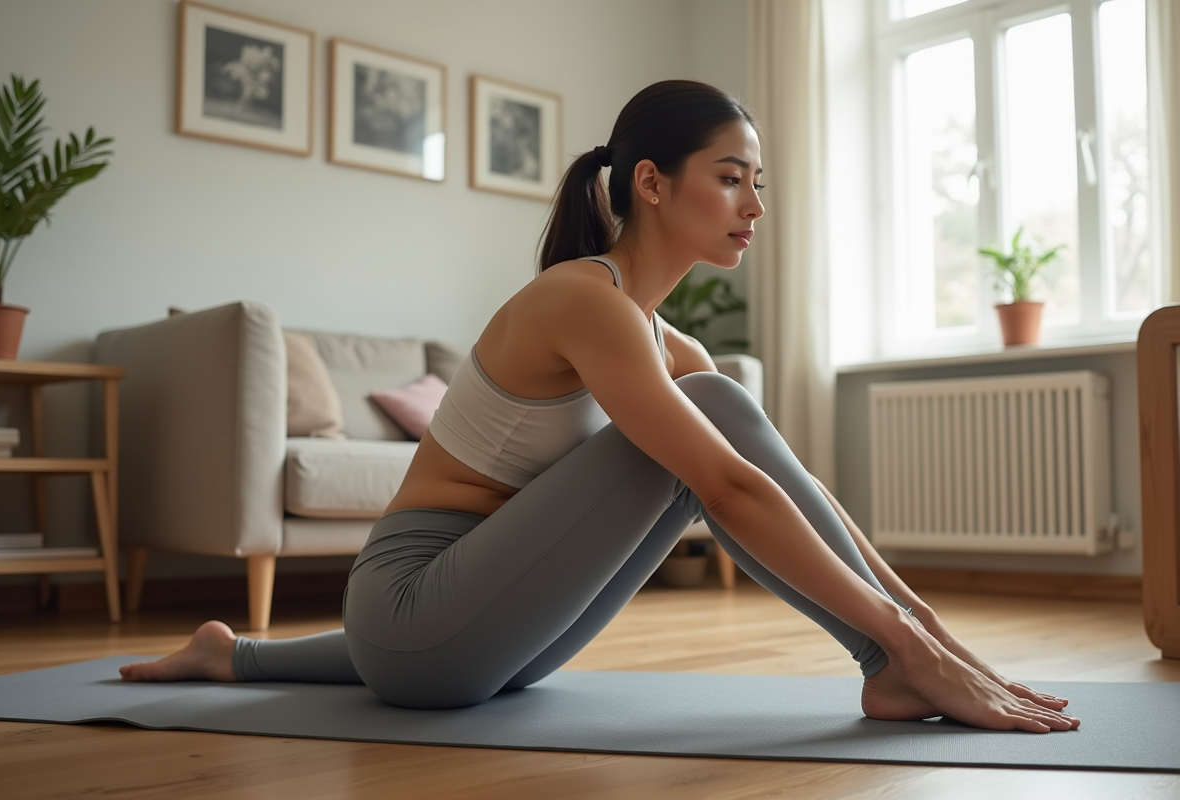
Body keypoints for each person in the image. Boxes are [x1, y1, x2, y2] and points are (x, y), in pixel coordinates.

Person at [121, 80, 1078, 733]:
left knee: (714, 396)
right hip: (410, 609)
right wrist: (912, 647)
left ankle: (232, 656)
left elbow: (793, 490)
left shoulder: (669, 343)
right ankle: (892, 661)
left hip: (495, 641)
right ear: (652, 185)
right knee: (713, 414)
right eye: (731, 177)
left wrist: (937, 634)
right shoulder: (583, 298)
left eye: (758, 183)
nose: (753, 204)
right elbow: (732, 488)